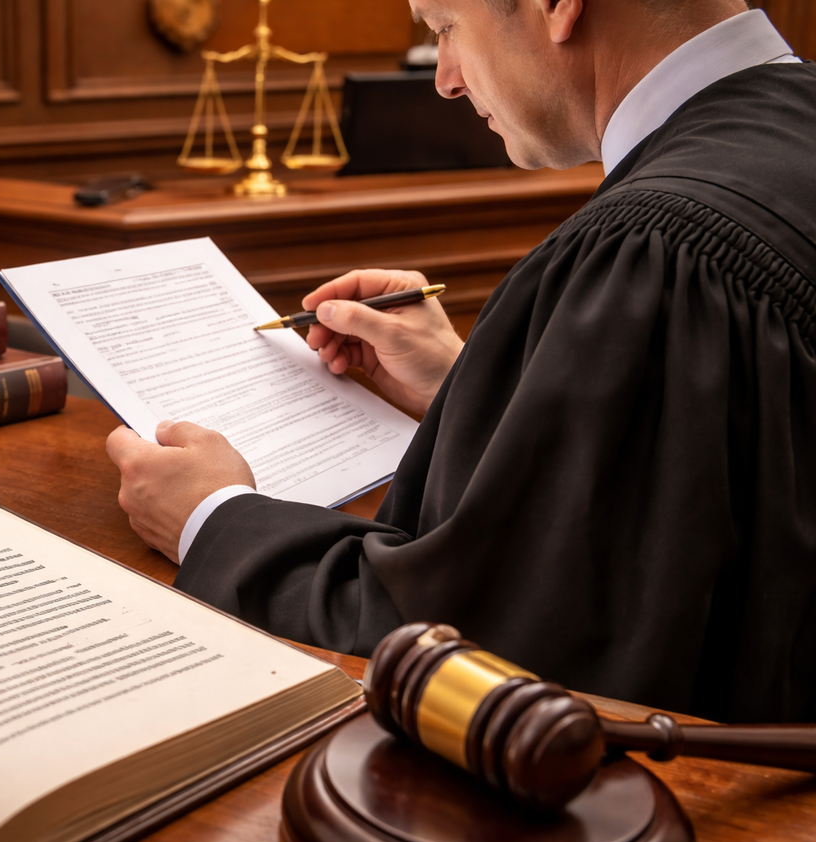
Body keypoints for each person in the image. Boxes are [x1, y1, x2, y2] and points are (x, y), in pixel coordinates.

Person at [105, 0, 816, 723]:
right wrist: (476, 384)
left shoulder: (659, 254)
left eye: (445, 26)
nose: (445, 79)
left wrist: (213, 518)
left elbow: (485, 658)